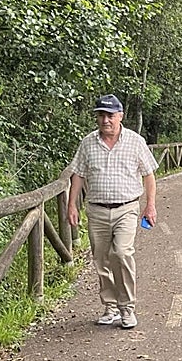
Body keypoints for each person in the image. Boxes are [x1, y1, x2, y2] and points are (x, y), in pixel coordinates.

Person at [67, 94, 158, 329]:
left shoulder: (135, 141)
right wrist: (71, 205)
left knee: (122, 253)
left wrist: (150, 205)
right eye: (101, 115)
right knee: (101, 259)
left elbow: (149, 174)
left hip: (126, 208)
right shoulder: (88, 143)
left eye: (110, 115)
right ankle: (110, 306)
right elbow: (78, 174)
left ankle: (127, 308)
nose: (105, 120)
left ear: (120, 117)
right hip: (96, 211)